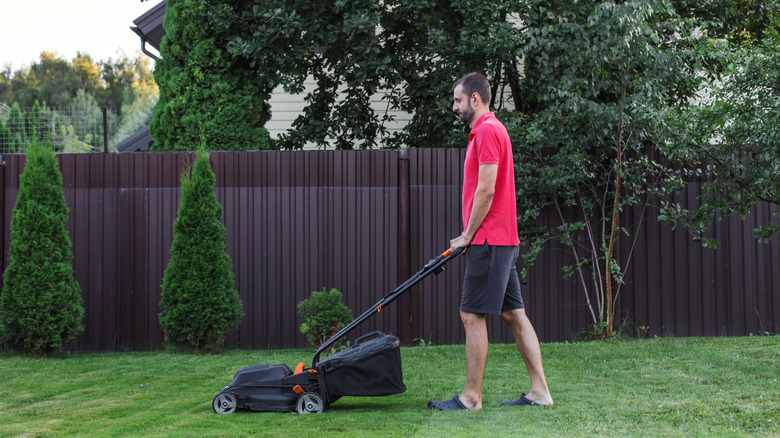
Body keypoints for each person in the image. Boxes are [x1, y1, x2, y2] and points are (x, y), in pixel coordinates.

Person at [428, 72, 553, 411]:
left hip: (488, 240)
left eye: (458, 100)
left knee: (471, 314)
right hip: (501, 239)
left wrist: (468, 235)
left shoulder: (485, 131)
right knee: (514, 314)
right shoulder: (491, 130)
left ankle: (471, 398)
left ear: (475, 99)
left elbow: (487, 187)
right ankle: (540, 392)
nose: (455, 106)